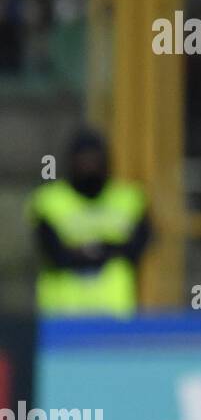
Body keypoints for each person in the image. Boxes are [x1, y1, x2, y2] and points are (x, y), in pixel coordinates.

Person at [28, 128, 151, 317]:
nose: (89, 166)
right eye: (83, 160)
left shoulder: (129, 199)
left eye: (94, 160)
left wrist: (84, 252)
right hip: (61, 315)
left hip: (115, 314)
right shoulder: (50, 201)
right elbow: (53, 253)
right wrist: (106, 249)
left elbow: (137, 248)